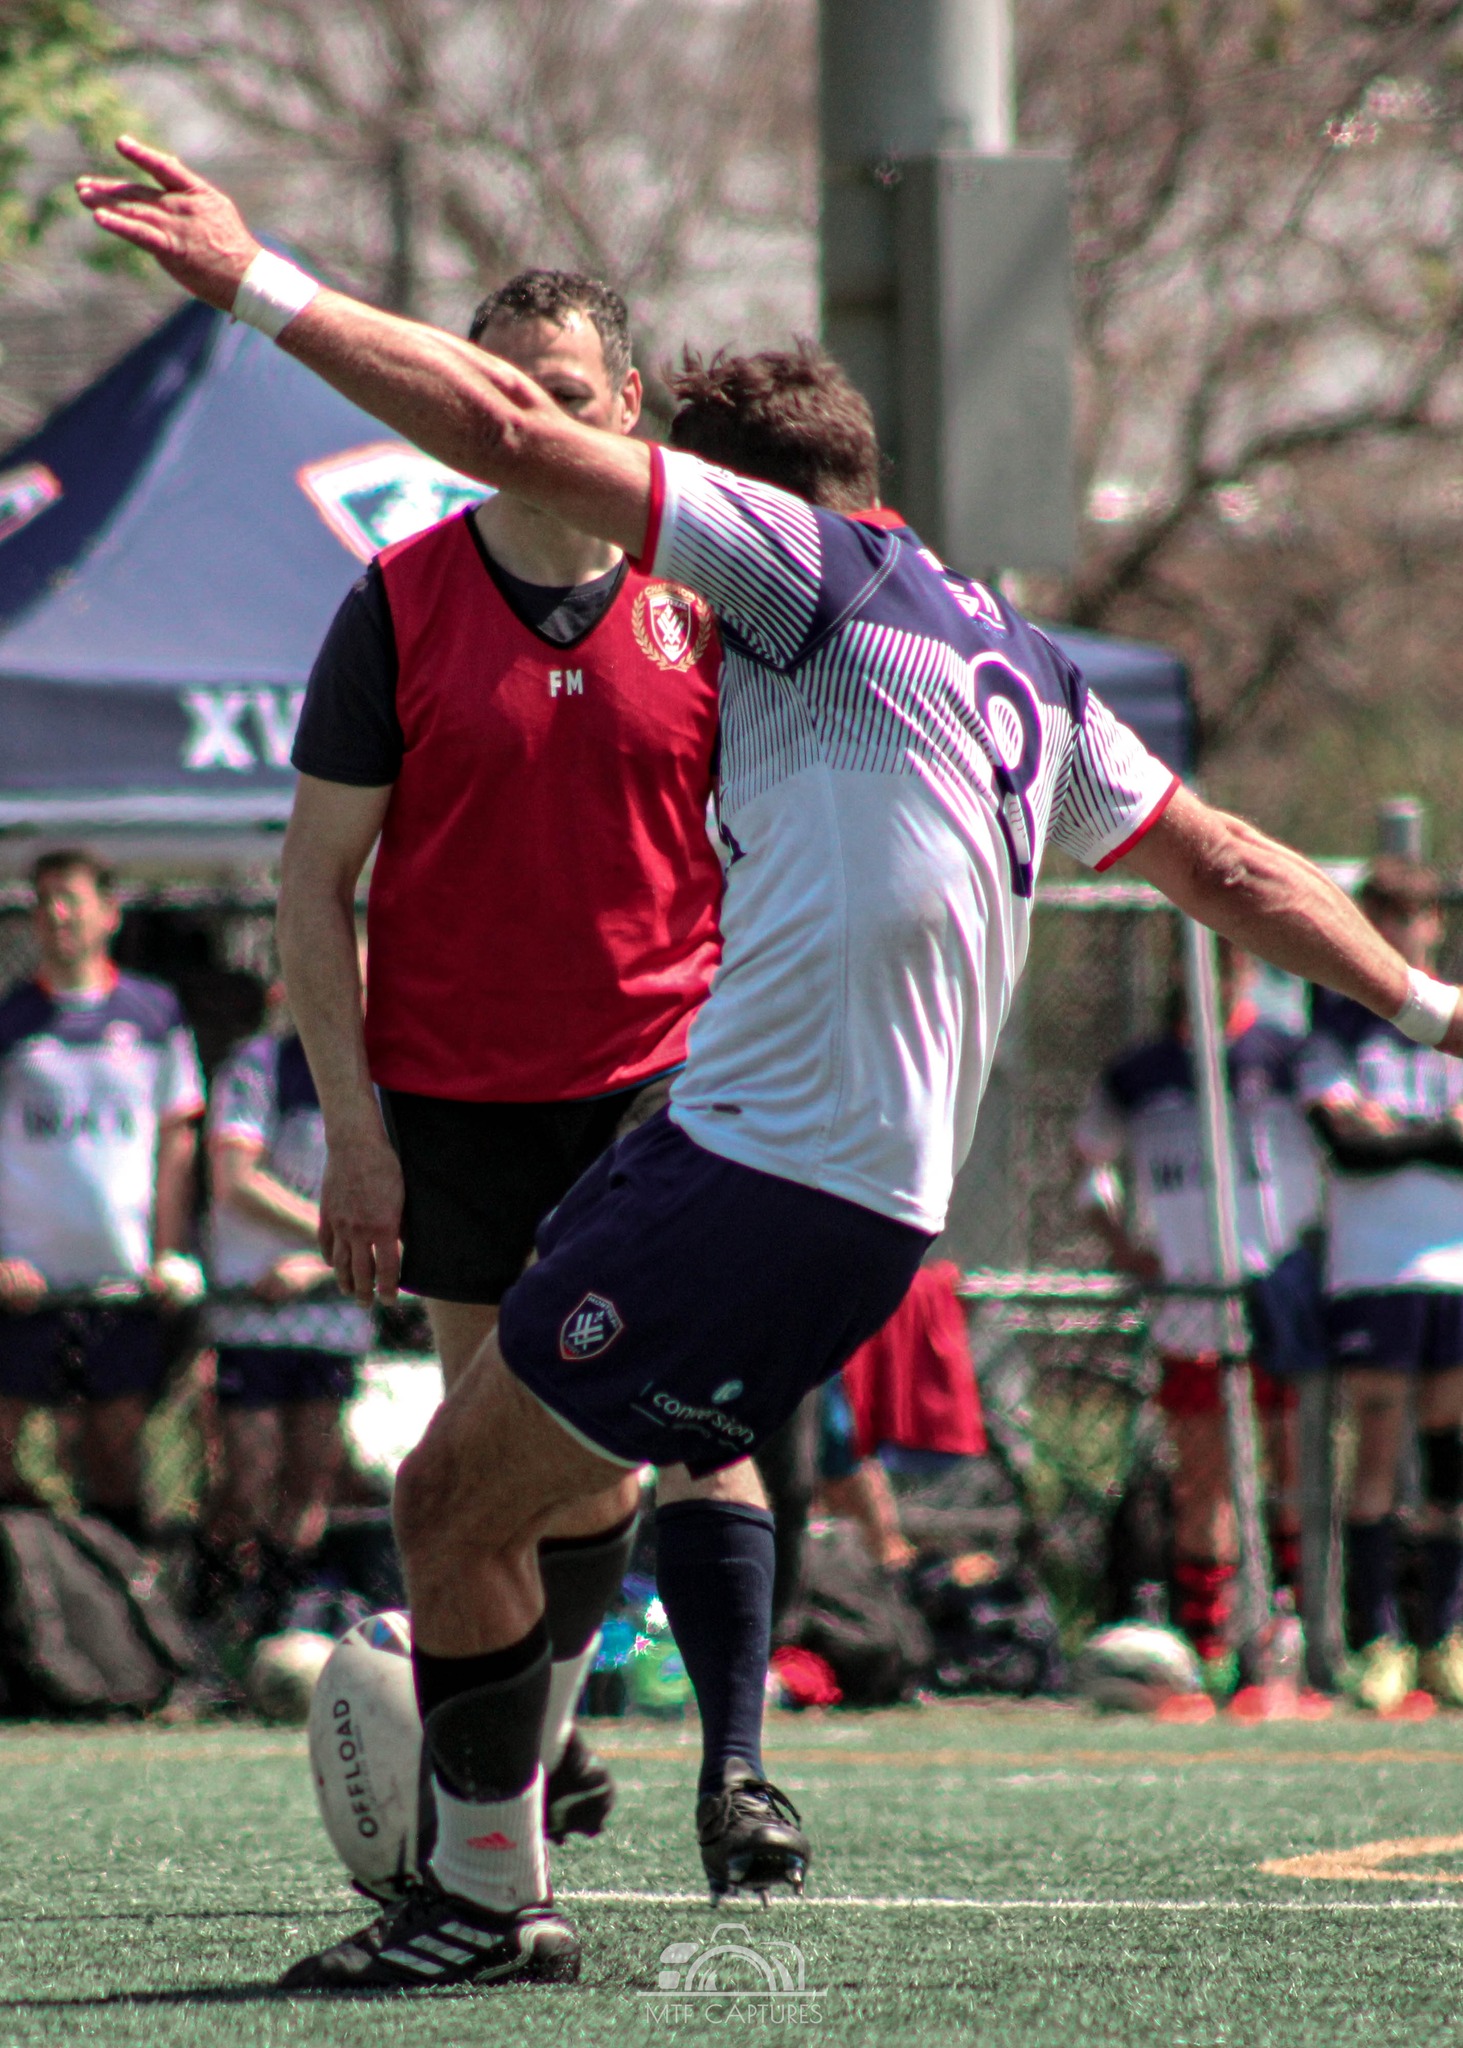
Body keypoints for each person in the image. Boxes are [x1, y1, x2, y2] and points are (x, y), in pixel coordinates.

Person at [80, 140, 1463, 1995]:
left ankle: (485, 1900)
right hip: (848, 1198)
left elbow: (510, 437)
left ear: (729, 497)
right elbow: (1230, 864)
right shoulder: (1017, 659)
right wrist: (1433, 1011)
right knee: (523, 1485)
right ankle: (531, 1847)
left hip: (753, 1169)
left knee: (446, 1502)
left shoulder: (789, 573)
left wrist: (261, 282)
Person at [275, 269, 801, 1888]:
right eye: (496, 384)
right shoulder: (395, 600)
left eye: (565, 388)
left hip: (661, 1090)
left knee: (681, 1425)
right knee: (500, 1465)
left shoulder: (702, 599)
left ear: (623, 406)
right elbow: (310, 886)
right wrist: (354, 1140)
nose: (530, 415)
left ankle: (734, 1773)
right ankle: (542, 1737)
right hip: (451, 1103)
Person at [1073, 947, 1325, 1690]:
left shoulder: (1284, 1057)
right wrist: (1122, 1241)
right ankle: (1209, 1646)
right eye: (1205, 966)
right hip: (1188, 1299)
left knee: (1290, 1459)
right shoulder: (1139, 1073)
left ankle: (1293, 1627)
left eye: (1232, 965)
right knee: (1203, 1476)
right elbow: (1090, 1164)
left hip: (1274, 1288)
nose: (1219, 980)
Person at [1298, 855, 1463, 1712]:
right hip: (1372, 1269)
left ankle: (1444, 1634)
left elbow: (1397, 1140)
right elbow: (1347, 1145)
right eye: (1387, 916)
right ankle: (1377, 1641)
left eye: (1418, 915)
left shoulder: (1455, 1024)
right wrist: (1435, 1133)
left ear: (1436, 923)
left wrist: (1401, 1129)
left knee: (1449, 1459)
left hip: (1454, 1266)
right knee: (1375, 1450)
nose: (1405, 932)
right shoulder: (1335, 1029)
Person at [0, 848, 203, 1541]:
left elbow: (177, 1140)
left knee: (114, 1453)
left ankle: (125, 1607)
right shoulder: (12, 1019)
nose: (58, 914)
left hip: (122, 1284)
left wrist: (169, 1250)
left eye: (73, 898)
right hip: (25, 1283)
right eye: (44, 900)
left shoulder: (155, 1013)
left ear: (109, 915)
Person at [200, 999, 374, 1628]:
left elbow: (397, 1212)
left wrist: (324, 1263)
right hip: (252, 1311)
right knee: (248, 1475)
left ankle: (277, 1623)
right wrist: (333, 1234)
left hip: (332, 1314)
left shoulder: (386, 1078)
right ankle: (208, 1618)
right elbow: (236, 1179)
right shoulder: (259, 1064)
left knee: (311, 1480)